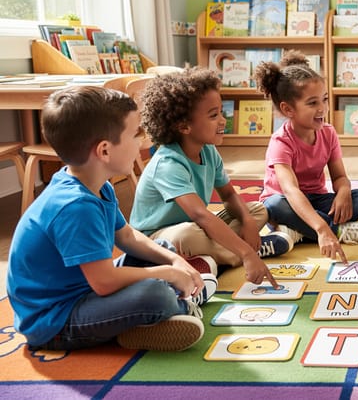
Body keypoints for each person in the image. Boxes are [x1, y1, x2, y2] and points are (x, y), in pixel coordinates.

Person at [7, 86, 214, 352]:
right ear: (104, 151)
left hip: (84, 289)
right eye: (134, 134)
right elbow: (104, 282)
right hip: (54, 321)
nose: (142, 142)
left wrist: (173, 261)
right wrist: (167, 273)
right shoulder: (75, 207)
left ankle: (160, 309)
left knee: (161, 250)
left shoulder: (96, 184)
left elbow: (126, 235)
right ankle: (173, 305)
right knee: (155, 294)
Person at [130, 68, 286, 286]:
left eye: (222, 112)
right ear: (184, 126)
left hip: (197, 227)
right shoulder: (168, 163)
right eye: (214, 115)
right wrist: (247, 254)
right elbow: (201, 215)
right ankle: (243, 254)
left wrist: (248, 221)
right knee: (187, 234)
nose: (223, 120)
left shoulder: (208, 150)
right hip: (159, 239)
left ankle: (213, 257)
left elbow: (229, 195)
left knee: (257, 209)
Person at [254, 52, 358, 264]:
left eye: (324, 99)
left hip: (316, 200)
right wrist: (323, 229)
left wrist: (343, 191)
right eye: (312, 103)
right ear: (288, 109)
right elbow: (290, 191)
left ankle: (297, 233)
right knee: (274, 205)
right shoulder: (281, 142)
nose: (322, 108)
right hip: (288, 203)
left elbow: (339, 176)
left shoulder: (328, 133)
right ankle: (337, 232)